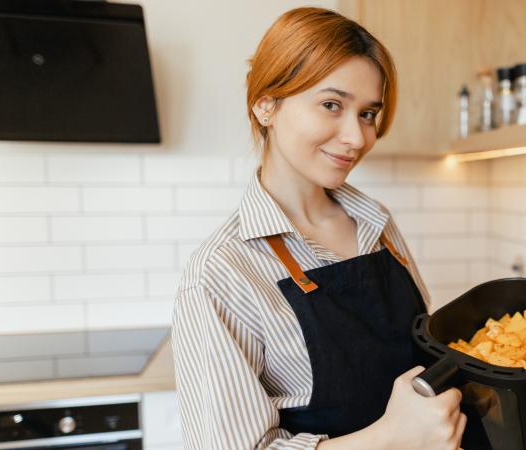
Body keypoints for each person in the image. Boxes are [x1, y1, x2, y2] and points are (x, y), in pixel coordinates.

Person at [171, 7, 466, 450]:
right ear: (266, 105)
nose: (357, 138)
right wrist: (391, 438)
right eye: (332, 105)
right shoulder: (222, 273)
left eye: (368, 114)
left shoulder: (377, 223)